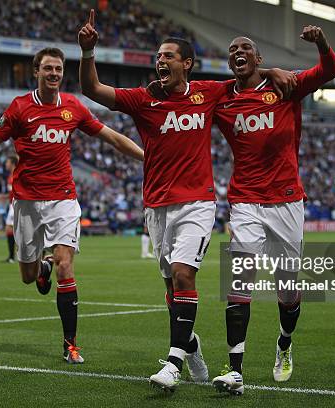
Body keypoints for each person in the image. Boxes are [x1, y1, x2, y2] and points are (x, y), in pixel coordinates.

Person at [78, 9, 295, 391]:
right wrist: (87, 53)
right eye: (158, 57)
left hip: (197, 202)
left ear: (187, 64)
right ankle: (191, 346)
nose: (160, 61)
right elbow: (93, 91)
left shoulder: (209, 93)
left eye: (167, 56)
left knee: (183, 274)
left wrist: (274, 71)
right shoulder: (143, 99)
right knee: (170, 288)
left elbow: (249, 78)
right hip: (156, 206)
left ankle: (173, 362)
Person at [0, 47, 144, 364]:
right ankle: (41, 269)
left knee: (66, 265)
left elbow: (113, 137)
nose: (54, 74)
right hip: (26, 202)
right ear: (36, 71)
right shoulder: (20, 108)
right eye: (48, 68)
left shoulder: (73, 107)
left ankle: (70, 344)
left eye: (58, 69)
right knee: (26, 275)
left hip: (64, 197)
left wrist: (150, 158)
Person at [211, 27, 335, 394]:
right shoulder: (221, 99)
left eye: (246, 47)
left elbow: (329, 71)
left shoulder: (285, 86)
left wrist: (321, 44)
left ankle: (284, 342)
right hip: (245, 198)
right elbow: (187, 92)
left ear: (258, 58)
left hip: (285, 200)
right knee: (240, 276)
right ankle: (234, 369)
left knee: (287, 288)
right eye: (233, 48)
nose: (238, 51)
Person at [2, 155, 18, 263]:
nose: (5, 164)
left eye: (7, 162)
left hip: (15, 205)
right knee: (10, 230)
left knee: (10, 229)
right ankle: (12, 256)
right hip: (11, 204)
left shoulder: (16, 174)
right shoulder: (10, 176)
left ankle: (13, 256)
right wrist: (4, 197)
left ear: (12, 163)